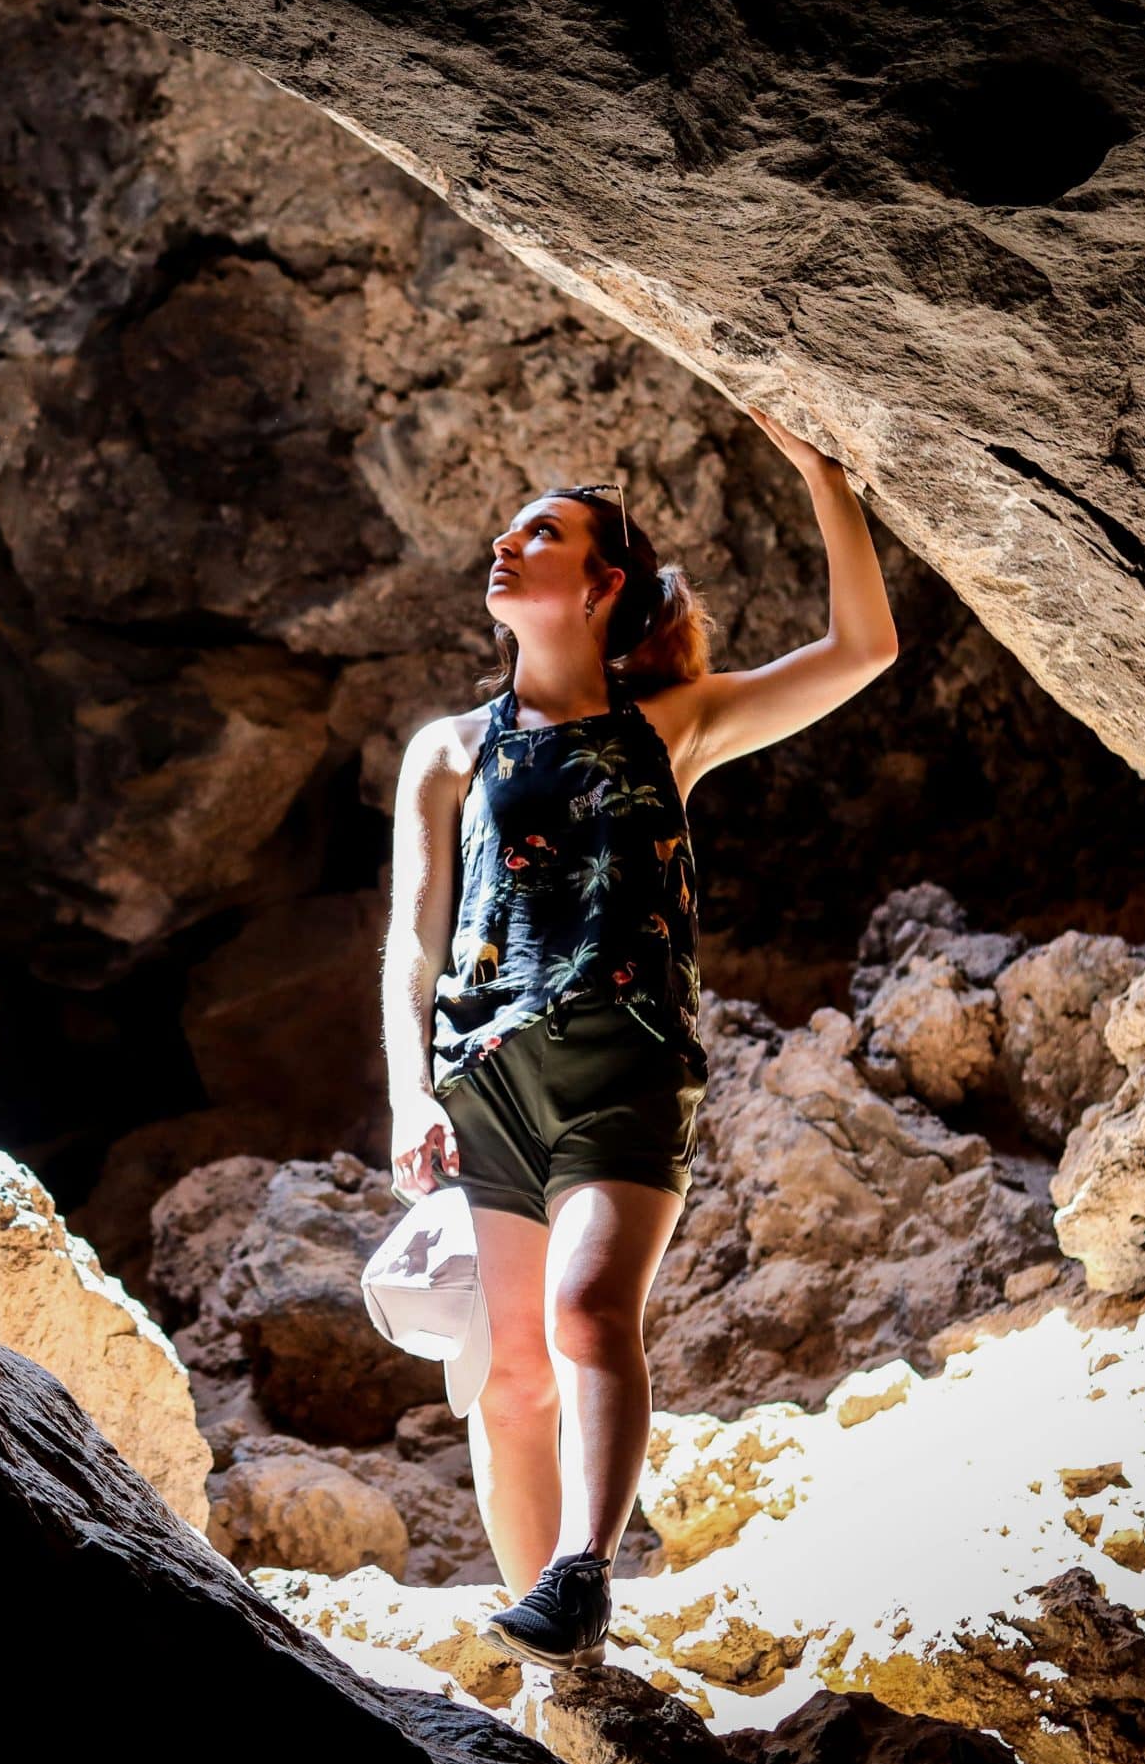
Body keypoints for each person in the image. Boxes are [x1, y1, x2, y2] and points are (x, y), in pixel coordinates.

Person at [378, 404, 900, 1669]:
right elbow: (411, 938)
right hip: (488, 1077)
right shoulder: (448, 751)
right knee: (509, 1379)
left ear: (602, 584)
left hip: (625, 1059)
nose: (506, 545)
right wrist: (411, 1097)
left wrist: (821, 474)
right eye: (506, 531)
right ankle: (557, 1651)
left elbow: (863, 648)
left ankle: (582, 1569)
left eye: (541, 534)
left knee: (588, 1317)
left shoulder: (674, 725)